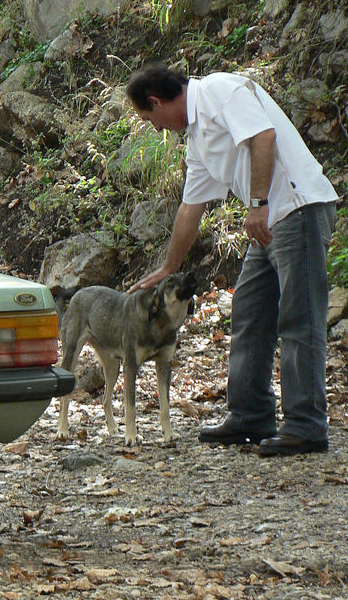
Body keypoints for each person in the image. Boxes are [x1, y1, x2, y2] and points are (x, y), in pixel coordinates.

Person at [127, 64, 338, 457]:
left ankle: (306, 427)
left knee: (299, 316)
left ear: (156, 101)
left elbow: (263, 136)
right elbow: (191, 207)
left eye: (148, 118)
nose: (155, 128)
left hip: (297, 207)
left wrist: (257, 204)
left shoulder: (219, 90)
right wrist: (169, 267)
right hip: (270, 220)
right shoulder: (196, 138)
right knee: (249, 312)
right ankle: (250, 414)